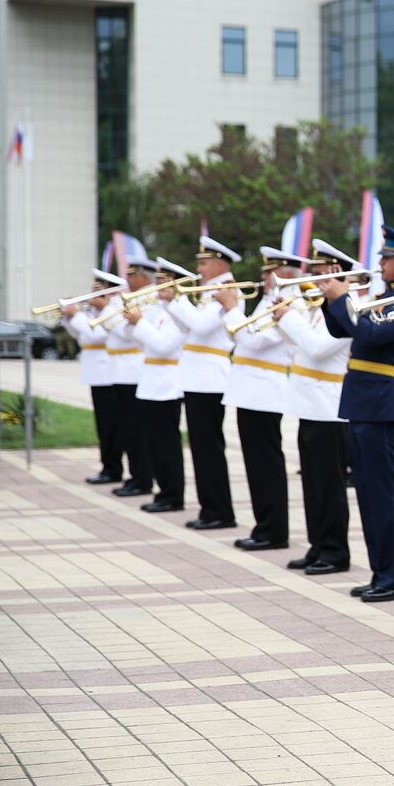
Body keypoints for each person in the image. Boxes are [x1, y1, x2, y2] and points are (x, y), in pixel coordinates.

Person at [320, 226, 394, 602]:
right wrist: (331, 297)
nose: (380, 262)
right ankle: (382, 571)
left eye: (387, 257)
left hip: (383, 400)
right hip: (365, 399)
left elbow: (367, 336)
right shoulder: (386, 296)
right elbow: (343, 330)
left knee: (387, 492)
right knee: (369, 492)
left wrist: (342, 298)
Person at [277, 239, 356, 575]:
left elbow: (316, 348)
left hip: (330, 407)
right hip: (309, 404)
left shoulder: (349, 308)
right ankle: (317, 545)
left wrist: (289, 319)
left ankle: (335, 551)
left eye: (323, 274)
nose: (315, 280)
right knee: (312, 482)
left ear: (338, 274)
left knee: (329, 485)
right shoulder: (313, 306)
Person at [222, 248, 301, 552]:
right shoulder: (269, 301)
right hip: (251, 389)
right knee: (256, 464)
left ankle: (274, 530)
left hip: (265, 390)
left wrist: (231, 308)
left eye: (269, 272)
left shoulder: (288, 302)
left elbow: (252, 340)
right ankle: (264, 526)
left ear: (285, 273)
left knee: (266, 463)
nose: (263, 278)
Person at [166, 235, 242, 532]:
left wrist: (177, 298)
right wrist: (174, 304)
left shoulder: (227, 290)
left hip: (210, 377)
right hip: (197, 375)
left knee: (209, 447)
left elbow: (200, 325)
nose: (198, 267)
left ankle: (220, 510)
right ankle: (209, 507)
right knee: (200, 447)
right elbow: (189, 326)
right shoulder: (208, 290)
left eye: (203, 262)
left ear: (220, 263)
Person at [123, 259, 189, 514]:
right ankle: (163, 492)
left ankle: (173, 495)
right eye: (159, 281)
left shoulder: (178, 312)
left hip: (168, 381)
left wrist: (139, 323)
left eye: (164, 282)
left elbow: (163, 345)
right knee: (154, 443)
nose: (158, 287)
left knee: (167, 445)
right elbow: (138, 340)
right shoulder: (159, 309)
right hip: (151, 379)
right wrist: (133, 322)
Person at [63, 268, 125, 485]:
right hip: (95, 371)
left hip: (106, 372)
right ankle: (108, 465)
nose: (92, 293)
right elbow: (79, 335)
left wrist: (77, 315)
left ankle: (113, 468)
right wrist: (69, 317)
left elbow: (96, 335)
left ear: (109, 290)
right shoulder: (96, 312)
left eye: (98, 289)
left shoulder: (113, 309)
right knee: (103, 425)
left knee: (111, 426)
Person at [105, 260, 153, 499]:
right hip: (121, 371)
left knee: (137, 431)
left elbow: (128, 335)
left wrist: (113, 313)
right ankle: (135, 476)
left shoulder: (146, 301)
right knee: (127, 429)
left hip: (134, 370)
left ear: (145, 277)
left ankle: (142, 478)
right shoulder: (131, 300)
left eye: (133, 276)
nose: (129, 281)